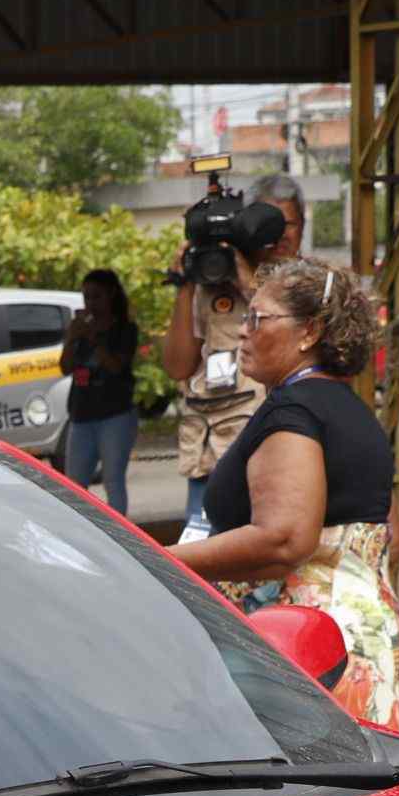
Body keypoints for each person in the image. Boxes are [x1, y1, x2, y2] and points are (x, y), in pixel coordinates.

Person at [171, 258, 399, 727]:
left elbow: (285, 539)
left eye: (258, 318)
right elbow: (393, 534)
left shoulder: (293, 411)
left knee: (317, 793)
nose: (243, 331)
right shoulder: (351, 410)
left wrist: (160, 559)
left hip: (309, 641)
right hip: (365, 628)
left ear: (309, 332)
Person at [162, 172, 306, 539]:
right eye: (266, 221)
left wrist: (249, 285)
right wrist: (186, 284)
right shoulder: (211, 282)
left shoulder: (312, 283)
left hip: (284, 447)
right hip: (217, 450)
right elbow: (178, 366)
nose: (278, 233)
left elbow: (307, 346)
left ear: (302, 227)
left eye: (288, 223)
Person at [58, 270, 141, 511]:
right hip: (81, 415)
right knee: (74, 485)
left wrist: (94, 337)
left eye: (96, 297)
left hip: (115, 415)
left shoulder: (125, 329)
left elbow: (116, 365)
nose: (90, 303)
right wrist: (71, 339)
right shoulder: (80, 330)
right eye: (86, 297)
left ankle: (119, 538)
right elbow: (65, 368)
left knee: (113, 480)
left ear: (111, 295)